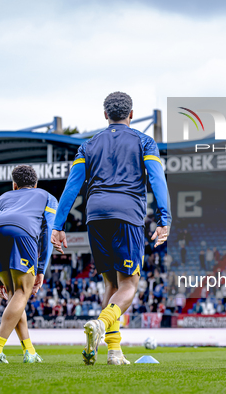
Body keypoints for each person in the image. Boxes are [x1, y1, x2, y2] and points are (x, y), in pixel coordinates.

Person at [51, 92, 170, 366]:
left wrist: (58, 225)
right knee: (129, 284)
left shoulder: (88, 145)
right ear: (131, 114)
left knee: (111, 284)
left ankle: (114, 353)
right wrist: (165, 219)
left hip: (95, 215)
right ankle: (102, 324)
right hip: (127, 214)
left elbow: (72, 186)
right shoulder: (144, 141)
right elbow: (157, 179)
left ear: (105, 115)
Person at [0, 165, 57, 364]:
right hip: (21, 230)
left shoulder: (1, 199)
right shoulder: (47, 196)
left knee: (16, 296)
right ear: (36, 183)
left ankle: (29, 352)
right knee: (23, 293)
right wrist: (41, 270)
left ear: (14, 185)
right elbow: (49, 231)